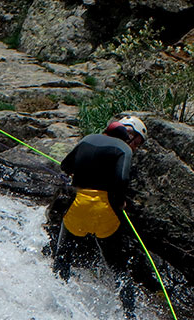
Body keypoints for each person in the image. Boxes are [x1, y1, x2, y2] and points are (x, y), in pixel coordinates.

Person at [47, 115, 152, 318]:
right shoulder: (124, 150)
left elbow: (65, 166)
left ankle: (57, 306)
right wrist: (120, 201)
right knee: (119, 267)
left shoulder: (87, 139)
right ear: (125, 136)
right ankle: (130, 313)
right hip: (105, 214)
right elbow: (122, 178)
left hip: (78, 208)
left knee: (62, 256)